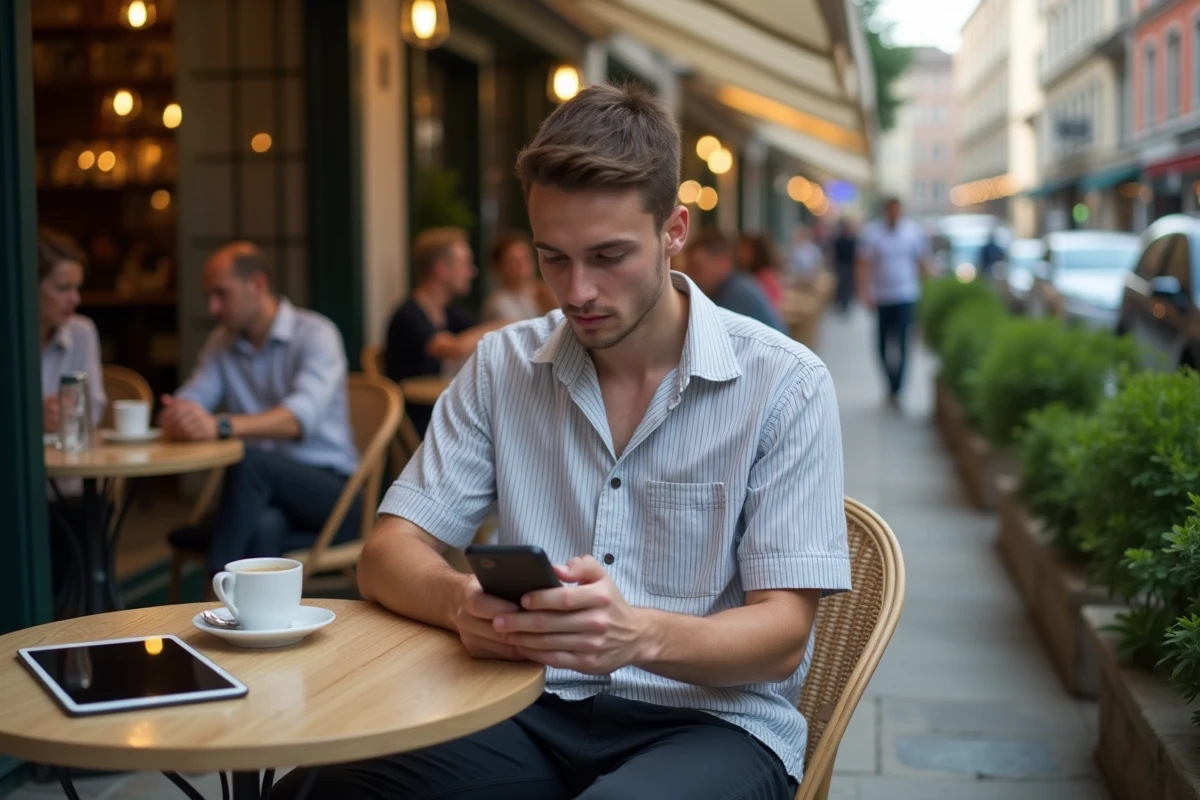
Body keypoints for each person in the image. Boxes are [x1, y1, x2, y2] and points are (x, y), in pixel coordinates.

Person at [275, 82, 850, 800]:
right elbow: (387, 554)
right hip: (522, 702)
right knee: (314, 790)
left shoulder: (785, 384)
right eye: (553, 258)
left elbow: (783, 635)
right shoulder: (503, 365)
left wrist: (637, 635)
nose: (577, 292)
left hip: (712, 723)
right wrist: (460, 602)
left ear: (674, 230)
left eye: (609, 256)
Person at [162, 242, 360, 575]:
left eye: (221, 294)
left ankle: (213, 587)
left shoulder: (316, 333)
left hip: (333, 494)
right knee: (264, 526)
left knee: (250, 463)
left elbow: (299, 419)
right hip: (262, 498)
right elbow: (192, 397)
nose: (212, 307)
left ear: (257, 284)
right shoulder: (222, 342)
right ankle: (237, 603)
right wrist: (179, 415)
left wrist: (220, 425)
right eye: (209, 296)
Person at [38, 227, 107, 609]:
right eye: (63, 288)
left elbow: (93, 407)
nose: (75, 299)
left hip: (67, 486)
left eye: (77, 287)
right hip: (21, 487)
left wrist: (65, 413)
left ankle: (83, 622)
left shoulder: (81, 332)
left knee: (89, 515)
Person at [384, 227, 502, 436]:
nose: (472, 272)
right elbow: (453, 349)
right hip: (419, 426)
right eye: (465, 264)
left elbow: (476, 332)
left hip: (441, 414)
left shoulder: (447, 312)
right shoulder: (408, 315)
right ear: (441, 269)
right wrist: (507, 324)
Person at [856, 196, 930, 407]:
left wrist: (928, 290)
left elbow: (922, 262)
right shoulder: (873, 233)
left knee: (903, 343)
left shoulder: (913, 232)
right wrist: (864, 291)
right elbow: (863, 263)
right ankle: (890, 383)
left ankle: (898, 388)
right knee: (882, 344)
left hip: (906, 295)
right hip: (882, 296)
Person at [684, 228, 785, 332]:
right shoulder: (737, 285)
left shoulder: (736, 295)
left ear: (723, 263)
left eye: (696, 267)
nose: (688, 274)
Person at [483, 229, 559, 323]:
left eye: (526, 258)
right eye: (512, 261)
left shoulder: (546, 291)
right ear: (498, 267)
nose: (522, 265)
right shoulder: (498, 304)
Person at [737, 233, 785, 312]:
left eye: (745, 250)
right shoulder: (751, 276)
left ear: (757, 252)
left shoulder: (765, 278)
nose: (740, 253)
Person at [831, 217, 858, 314]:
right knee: (842, 286)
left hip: (848, 266)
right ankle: (842, 302)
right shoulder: (839, 241)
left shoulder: (852, 241)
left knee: (847, 286)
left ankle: (845, 303)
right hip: (841, 266)